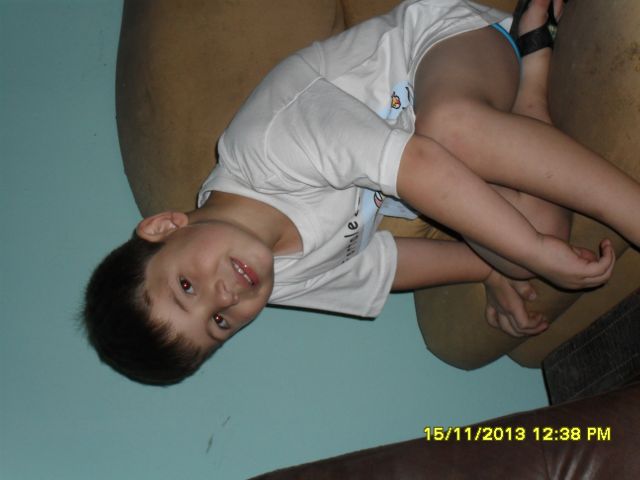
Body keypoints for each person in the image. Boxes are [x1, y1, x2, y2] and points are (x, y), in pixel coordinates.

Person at [83, 0, 640, 385]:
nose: (224, 297)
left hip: (444, 48)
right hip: (452, 154)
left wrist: (530, 250)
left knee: (452, 133)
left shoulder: (266, 145)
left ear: (164, 227)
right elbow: (386, 265)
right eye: (219, 325)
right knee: (524, 251)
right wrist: (496, 266)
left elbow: (422, 164)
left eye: (188, 287)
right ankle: (533, 73)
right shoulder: (282, 282)